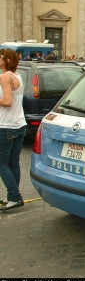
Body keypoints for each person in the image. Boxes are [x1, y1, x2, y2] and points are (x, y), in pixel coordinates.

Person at [0, 49, 27, 211]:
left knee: (1, 163)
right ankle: (12, 196)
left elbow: (7, 101)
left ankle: (15, 196)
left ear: (7, 60)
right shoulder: (18, 76)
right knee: (13, 163)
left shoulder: (4, 77)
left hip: (6, 125)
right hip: (19, 123)